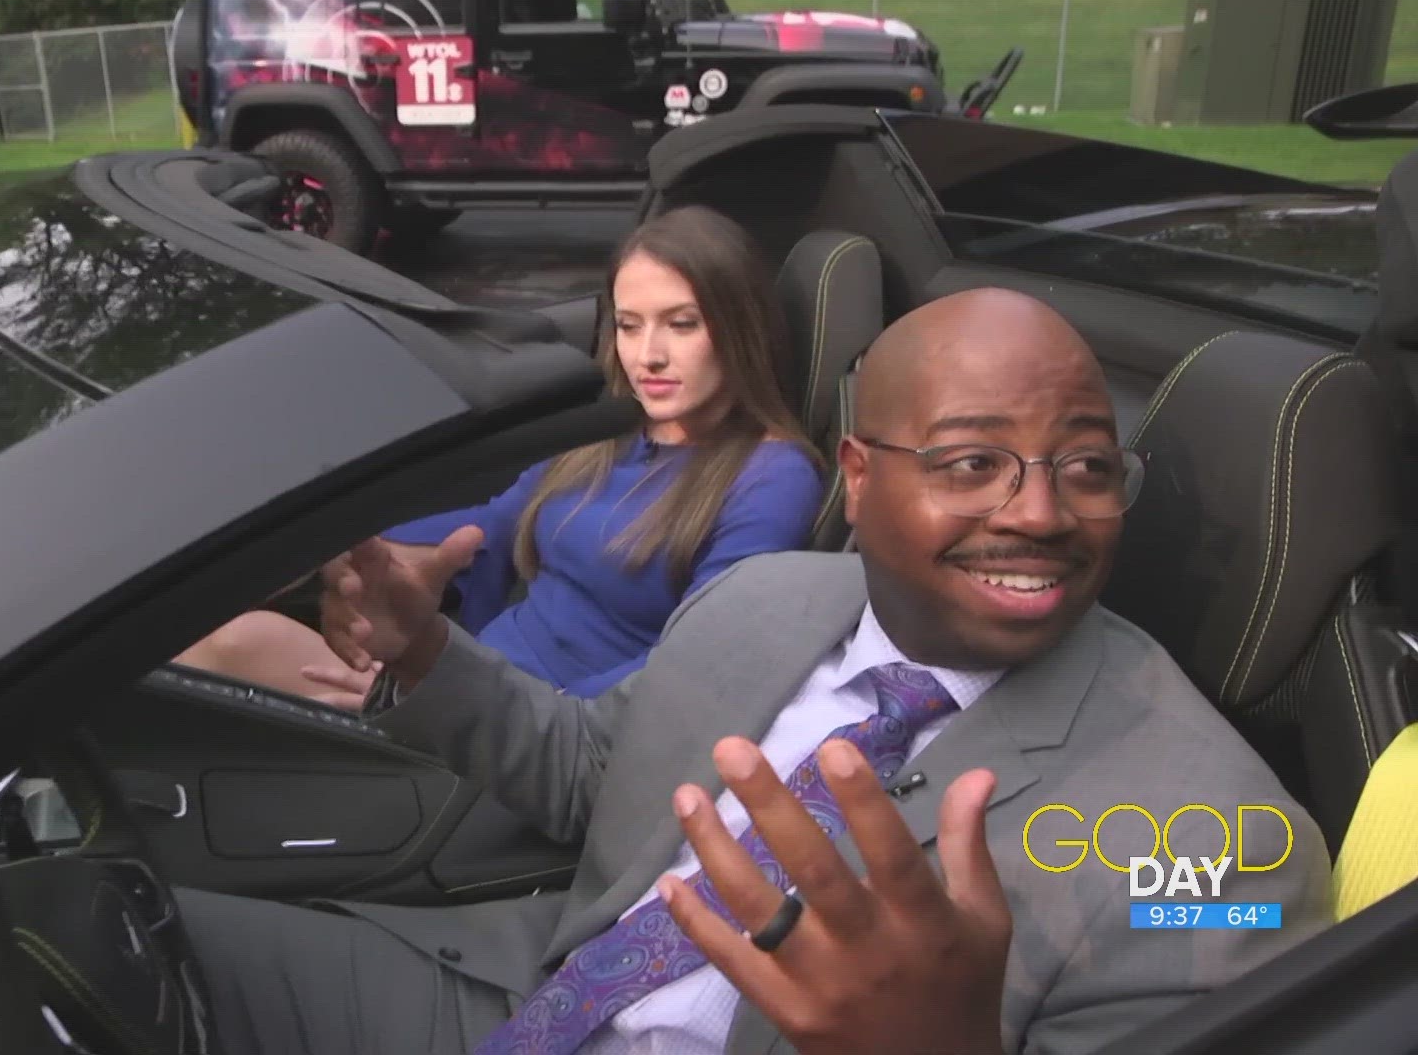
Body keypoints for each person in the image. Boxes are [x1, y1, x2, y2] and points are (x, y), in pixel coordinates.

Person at [169, 287, 1332, 1055]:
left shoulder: (1217, 846)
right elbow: (592, 780)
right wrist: (424, 651)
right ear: (861, 477)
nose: (1039, 513)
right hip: (522, 996)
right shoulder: (760, 601)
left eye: (1086, 466)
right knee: (99, 933)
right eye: (974, 461)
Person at [174, 204, 825, 709]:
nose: (647, 354)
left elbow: (698, 667)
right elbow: (496, 522)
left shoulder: (772, 478)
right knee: (222, 638)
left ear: (739, 329)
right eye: (629, 325)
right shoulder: (613, 431)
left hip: (531, 737)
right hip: (464, 674)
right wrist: (351, 553)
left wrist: (453, 698)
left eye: (681, 324)